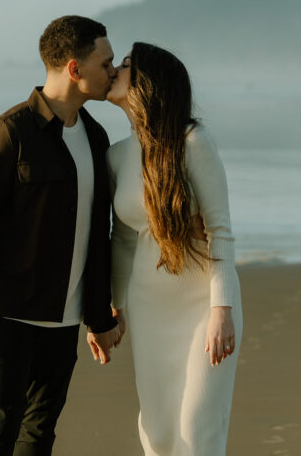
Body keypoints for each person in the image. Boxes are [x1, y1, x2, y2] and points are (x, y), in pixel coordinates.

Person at [0, 15, 122, 456]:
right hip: (7, 318)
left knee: (39, 438)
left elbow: (98, 235)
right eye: (106, 63)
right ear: (74, 68)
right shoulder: (9, 134)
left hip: (63, 323)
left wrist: (99, 320)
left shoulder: (97, 138)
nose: (113, 72)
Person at [106, 42, 242, 456]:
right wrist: (113, 306)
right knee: (160, 432)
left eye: (126, 65)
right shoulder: (116, 156)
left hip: (203, 305)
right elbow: (124, 238)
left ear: (148, 83)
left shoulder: (193, 142)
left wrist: (223, 310)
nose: (115, 70)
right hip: (148, 306)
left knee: (197, 431)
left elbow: (220, 230)